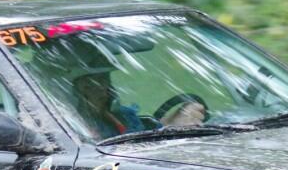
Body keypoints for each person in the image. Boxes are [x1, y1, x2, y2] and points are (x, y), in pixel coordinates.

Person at [66, 44, 206, 140]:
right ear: (77, 88)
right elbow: (116, 154)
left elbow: (144, 135)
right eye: (94, 82)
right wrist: (172, 127)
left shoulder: (122, 116)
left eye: (105, 79)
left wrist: (170, 123)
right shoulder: (71, 128)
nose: (105, 89)